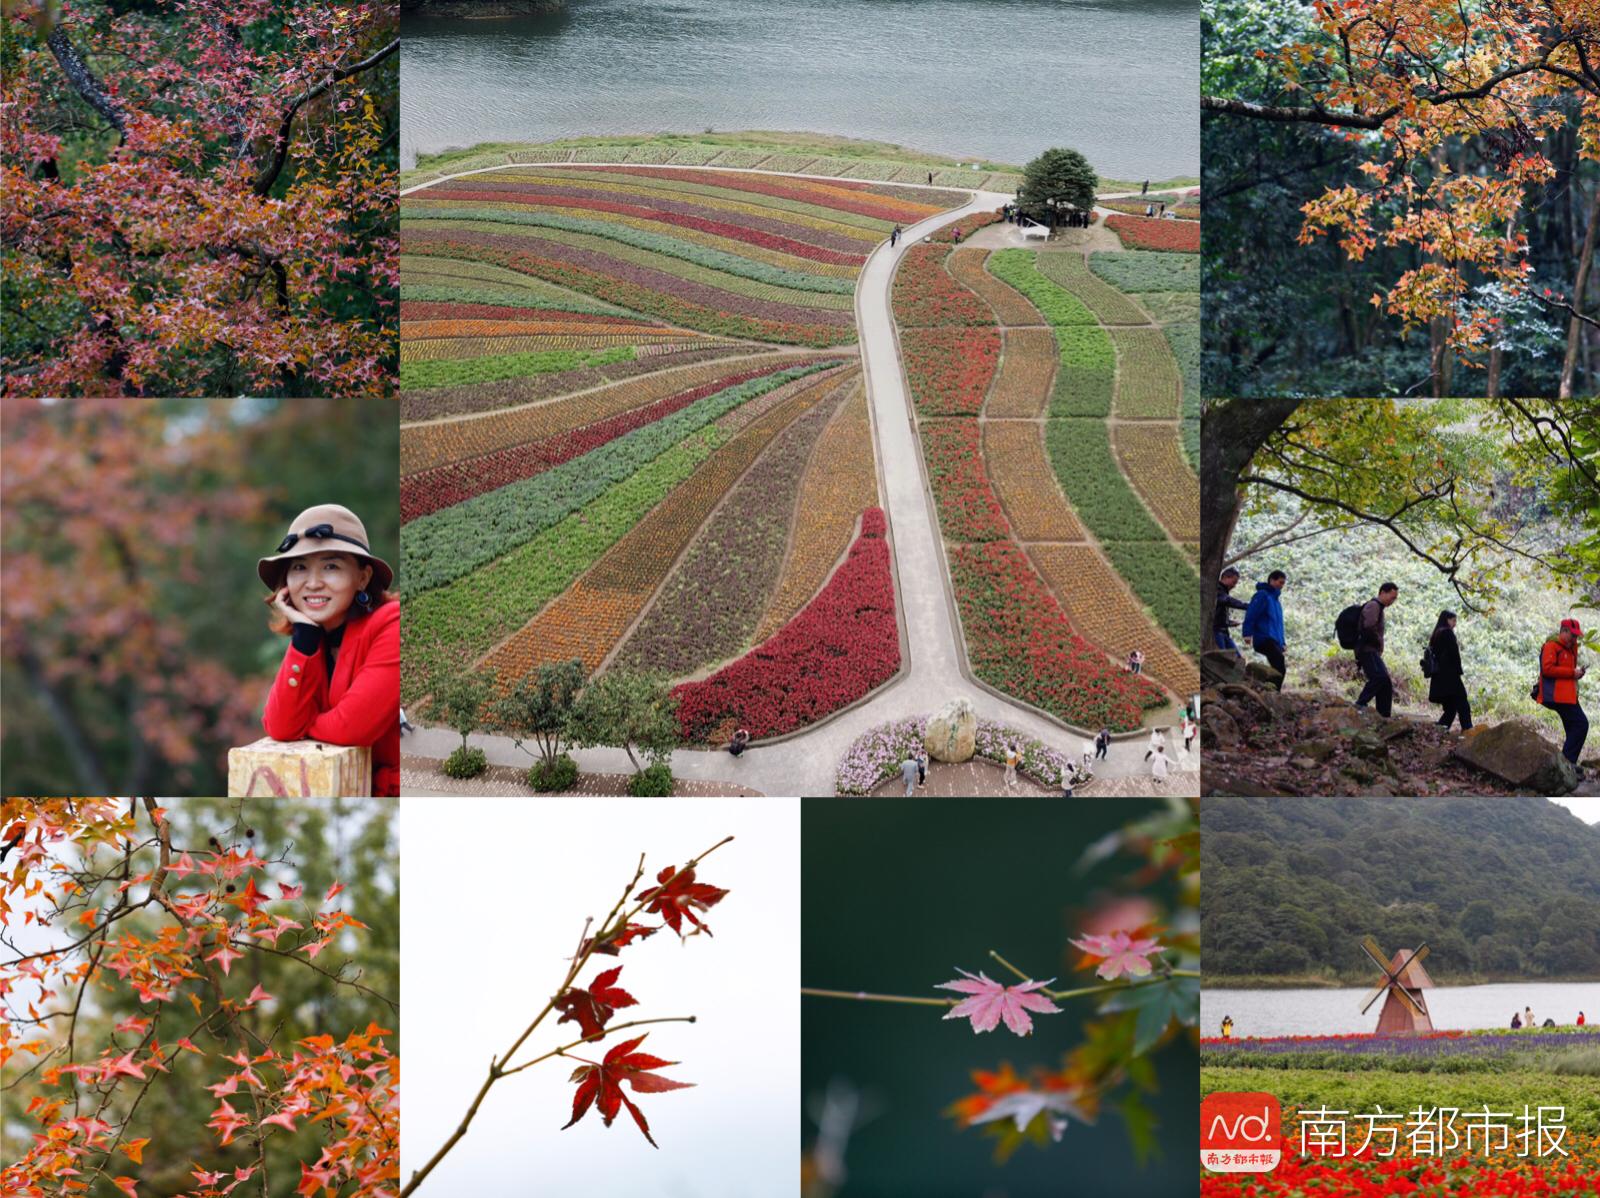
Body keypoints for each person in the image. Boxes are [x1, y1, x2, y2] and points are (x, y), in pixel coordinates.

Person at [260, 504, 399, 797]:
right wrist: (304, 637)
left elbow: (352, 728)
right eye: (299, 568)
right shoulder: (313, 639)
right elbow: (281, 726)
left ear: (362, 577)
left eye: (330, 566)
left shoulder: (392, 624)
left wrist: (306, 724)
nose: (313, 583)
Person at [1539, 617, 1589, 771]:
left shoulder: (1572, 647)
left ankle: (1567, 765)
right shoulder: (1551, 646)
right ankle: (1566, 766)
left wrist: (1577, 673)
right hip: (1557, 696)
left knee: (1573, 728)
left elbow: (1569, 671)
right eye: (1572, 635)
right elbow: (1547, 669)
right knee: (1581, 725)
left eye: (1576, 636)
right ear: (1563, 631)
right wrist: (1571, 673)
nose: (1574, 639)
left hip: (1569, 696)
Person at [1354, 582, 1400, 718]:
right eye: (1392, 597)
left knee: (1385, 682)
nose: (1393, 601)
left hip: (1371, 650)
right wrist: (1378, 641)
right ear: (1382, 593)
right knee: (1379, 677)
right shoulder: (1373, 606)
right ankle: (1360, 703)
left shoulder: (1379, 608)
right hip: (1367, 649)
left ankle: (1384, 715)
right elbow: (1368, 626)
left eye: (1395, 598)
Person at [1241, 570, 1288, 685]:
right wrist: (1247, 633)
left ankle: (1268, 689)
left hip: (1273, 639)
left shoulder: (1276, 601)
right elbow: (1252, 613)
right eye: (1280, 582)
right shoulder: (1262, 595)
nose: (1281, 586)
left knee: (1278, 665)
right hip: (1264, 637)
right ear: (1272, 580)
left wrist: (1282, 642)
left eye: (1283, 583)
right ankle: (1272, 691)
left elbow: (1278, 625)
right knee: (1279, 664)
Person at [1427, 610, 1472, 731]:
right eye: (1453, 620)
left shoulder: (1436, 633)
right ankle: (1468, 729)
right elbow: (1454, 654)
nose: (1455, 623)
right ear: (1447, 620)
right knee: (1462, 702)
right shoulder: (1447, 633)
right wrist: (1458, 671)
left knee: (1451, 706)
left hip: (1439, 676)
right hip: (1450, 675)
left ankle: (1441, 728)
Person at [1214, 567, 1250, 656]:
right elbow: (1227, 601)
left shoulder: (1224, 592)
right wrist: (1247, 606)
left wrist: (1229, 622)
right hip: (1216, 631)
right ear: (1226, 577)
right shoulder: (1217, 589)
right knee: (1223, 657)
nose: (1234, 585)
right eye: (1234, 582)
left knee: (1236, 657)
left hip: (1224, 631)